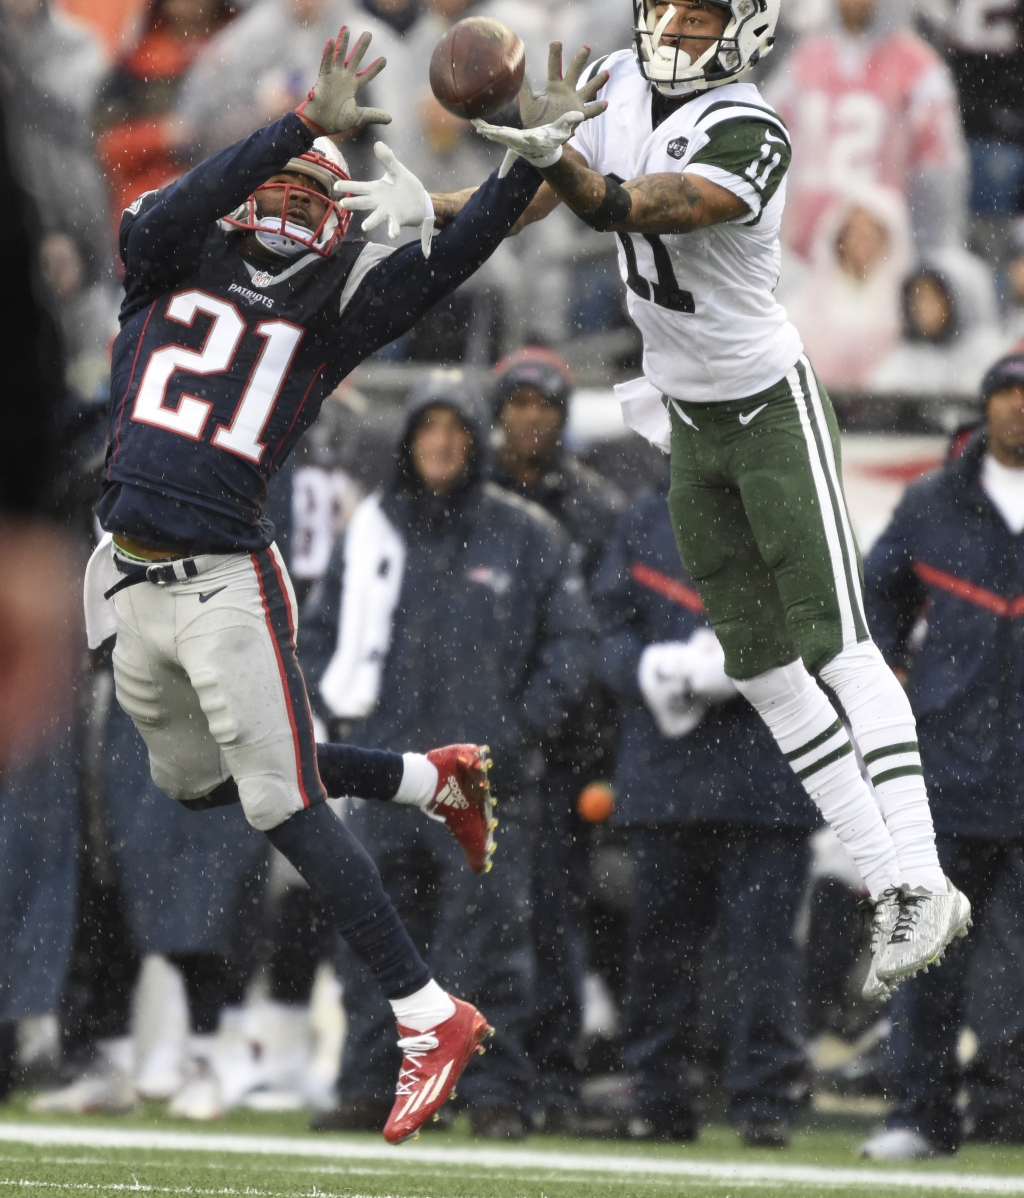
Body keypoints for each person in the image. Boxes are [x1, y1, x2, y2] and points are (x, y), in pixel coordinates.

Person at [85, 25, 586, 1142]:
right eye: (279, 190)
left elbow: (446, 261)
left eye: (317, 199)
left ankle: (429, 1012)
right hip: (124, 573)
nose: (291, 209)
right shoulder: (165, 254)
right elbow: (173, 201)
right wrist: (301, 128)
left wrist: (530, 162)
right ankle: (424, 779)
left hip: (224, 578)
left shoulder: (326, 322)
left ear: (335, 225)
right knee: (196, 784)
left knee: (278, 798)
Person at [468, 1, 970, 994]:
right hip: (687, 414)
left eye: (702, 15)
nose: (677, 28)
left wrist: (556, 159)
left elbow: (633, 205)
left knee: (840, 644)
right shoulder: (612, 80)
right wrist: (432, 210)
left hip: (765, 407)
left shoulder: (753, 127)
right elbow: (527, 200)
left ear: (745, 29)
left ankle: (922, 874)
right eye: (668, 8)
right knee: (759, 663)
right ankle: (885, 885)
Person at [299, 371, 594, 1137]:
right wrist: (344, 730)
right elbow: (321, 636)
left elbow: (571, 646)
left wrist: (516, 732)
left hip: (485, 785)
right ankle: (371, 1085)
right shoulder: (372, 530)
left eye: (454, 429)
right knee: (374, 939)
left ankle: (496, 1094)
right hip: (388, 773)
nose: (440, 442)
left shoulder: (527, 533)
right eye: (427, 428)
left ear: (475, 441)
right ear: (408, 442)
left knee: (491, 943)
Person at [594, 488, 817, 1147]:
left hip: (767, 775)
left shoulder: (793, 508)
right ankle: (658, 1096)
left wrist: (754, 661)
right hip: (670, 780)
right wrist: (648, 668)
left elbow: (834, 624)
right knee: (661, 949)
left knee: (762, 950)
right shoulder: (640, 516)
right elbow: (606, 629)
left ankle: (765, 1101)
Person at [859, 351, 1024, 1160]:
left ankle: (1009, 1110)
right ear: (985, 405)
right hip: (947, 773)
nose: (1020, 409)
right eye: (1008, 393)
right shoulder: (932, 503)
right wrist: (890, 684)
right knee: (928, 957)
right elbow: (873, 599)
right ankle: (919, 1116)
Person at [487, 347, 623, 1128]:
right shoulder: (472, 497)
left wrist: (560, 722)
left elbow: (594, 636)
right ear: (499, 412)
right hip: (479, 737)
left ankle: (551, 1077)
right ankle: (486, 1076)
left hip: (564, 744)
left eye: (544, 405)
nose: (532, 418)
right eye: (519, 404)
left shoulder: (597, 507)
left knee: (550, 916)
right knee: (473, 916)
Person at [763, 0, 967, 259]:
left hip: (882, 255)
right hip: (806, 253)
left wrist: (929, 250)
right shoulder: (805, 60)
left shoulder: (918, 67)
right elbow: (766, 141)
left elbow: (938, 171)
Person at [93, 0, 233, 219]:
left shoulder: (244, 45)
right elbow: (108, 146)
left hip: (235, 192)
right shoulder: (137, 64)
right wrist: (160, 135)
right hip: (158, 203)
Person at [778, 185, 912, 392]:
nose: (861, 240)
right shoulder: (809, 295)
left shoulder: (906, 296)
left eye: (871, 232)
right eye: (854, 231)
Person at [869, 247, 1010, 397]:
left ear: (955, 300)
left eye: (933, 298)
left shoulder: (986, 353)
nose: (923, 309)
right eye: (918, 300)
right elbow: (879, 396)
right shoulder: (906, 357)